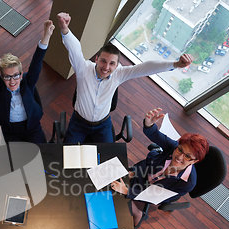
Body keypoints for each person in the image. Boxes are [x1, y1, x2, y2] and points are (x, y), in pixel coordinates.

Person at [56, 12, 194, 143]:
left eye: (112, 63)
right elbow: (74, 49)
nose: (106, 67)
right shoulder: (83, 69)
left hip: (102, 125)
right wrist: (64, 29)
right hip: (79, 123)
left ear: (117, 65)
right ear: (96, 59)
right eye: (103, 61)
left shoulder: (119, 73)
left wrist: (176, 64)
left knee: (108, 160)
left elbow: (146, 67)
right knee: (68, 156)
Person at [111, 108, 209, 228]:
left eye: (187, 156)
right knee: (110, 185)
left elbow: (155, 196)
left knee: (117, 197)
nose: (179, 156)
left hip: (151, 193)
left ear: (194, 161)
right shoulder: (173, 147)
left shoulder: (188, 183)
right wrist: (149, 124)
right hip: (144, 173)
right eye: (180, 150)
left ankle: (138, 213)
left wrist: (127, 191)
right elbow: (155, 134)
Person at [0, 20, 55, 143]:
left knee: (42, 155)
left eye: (16, 76)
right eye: (7, 77)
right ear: (2, 77)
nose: (12, 81)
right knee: (14, 160)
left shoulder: (28, 81)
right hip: (10, 131)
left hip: (32, 128)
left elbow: (37, 61)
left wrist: (46, 35)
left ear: (21, 75)